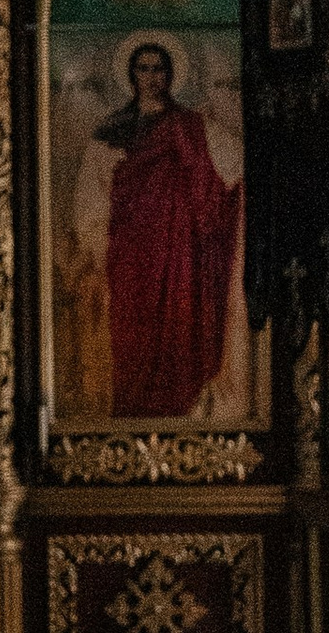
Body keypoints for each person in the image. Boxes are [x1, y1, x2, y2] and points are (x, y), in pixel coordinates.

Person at [79, 39, 242, 420]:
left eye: (159, 69)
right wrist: (96, 240)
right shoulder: (111, 129)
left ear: (170, 76)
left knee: (178, 328)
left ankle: (180, 414)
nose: (151, 77)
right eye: (143, 69)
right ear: (130, 75)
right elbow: (91, 194)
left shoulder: (191, 125)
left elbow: (234, 168)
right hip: (131, 254)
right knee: (133, 334)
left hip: (179, 250)